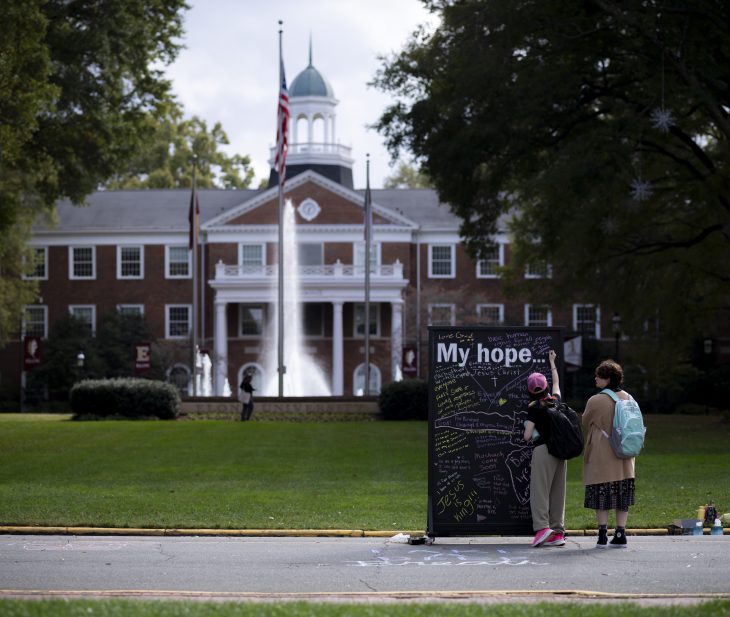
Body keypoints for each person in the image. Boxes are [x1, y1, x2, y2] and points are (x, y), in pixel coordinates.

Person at [582, 359, 635, 548]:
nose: (595, 378)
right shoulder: (629, 398)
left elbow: (586, 421)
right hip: (624, 456)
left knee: (601, 495)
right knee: (622, 496)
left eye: (599, 375)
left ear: (606, 379)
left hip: (602, 456)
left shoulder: (596, 400)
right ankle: (621, 533)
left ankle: (602, 534)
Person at [523, 350, 566, 548]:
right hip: (561, 451)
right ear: (546, 387)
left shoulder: (534, 407)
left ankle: (542, 528)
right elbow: (556, 383)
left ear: (531, 391)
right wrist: (552, 362)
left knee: (540, 490)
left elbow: (527, 435)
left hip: (543, 451)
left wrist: (526, 427)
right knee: (558, 491)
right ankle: (558, 532)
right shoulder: (554, 400)